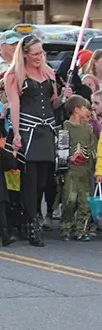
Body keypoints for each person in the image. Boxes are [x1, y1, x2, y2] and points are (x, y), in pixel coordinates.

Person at [5, 34, 69, 247]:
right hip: (28, 130)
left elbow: (54, 103)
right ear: (24, 54)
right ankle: (31, 222)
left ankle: (30, 216)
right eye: (35, 53)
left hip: (48, 130)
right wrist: (15, 134)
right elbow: (15, 105)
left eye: (42, 53)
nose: (40, 57)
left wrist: (64, 97)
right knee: (29, 180)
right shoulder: (14, 75)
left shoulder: (49, 72)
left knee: (44, 181)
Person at [61, 96, 94, 242]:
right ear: (76, 110)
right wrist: (69, 158)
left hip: (85, 171)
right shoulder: (65, 127)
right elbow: (61, 150)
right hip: (71, 171)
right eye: (86, 107)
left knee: (85, 202)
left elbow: (94, 149)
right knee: (69, 199)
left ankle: (82, 229)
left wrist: (90, 158)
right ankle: (66, 227)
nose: (88, 111)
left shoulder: (88, 129)